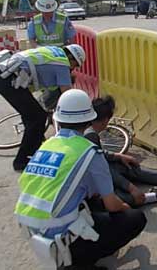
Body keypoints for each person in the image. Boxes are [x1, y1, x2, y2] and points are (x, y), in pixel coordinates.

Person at [15, 89, 146, 269]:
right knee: (134, 218)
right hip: (63, 238)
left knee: (89, 201)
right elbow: (112, 204)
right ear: (89, 120)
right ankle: (80, 263)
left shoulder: (48, 144)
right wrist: (126, 206)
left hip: (32, 229)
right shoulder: (89, 151)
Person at [0, 44, 86, 172]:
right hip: (7, 78)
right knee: (37, 118)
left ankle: (37, 145)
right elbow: (67, 95)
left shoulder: (54, 52)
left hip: (0, 73)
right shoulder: (63, 65)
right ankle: (22, 161)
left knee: (32, 116)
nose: (73, 69)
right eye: (75, 66)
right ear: (72, 59)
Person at [84, 96, 157, 208]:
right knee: (113, 198)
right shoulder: (90, 135)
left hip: (88, 181)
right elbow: (104, 170)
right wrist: (130, 187)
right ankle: (152, 196)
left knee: (122, 162)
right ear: (105, 119)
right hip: (88, 191)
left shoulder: (83, 133)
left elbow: (100, 157)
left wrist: (118, 156)